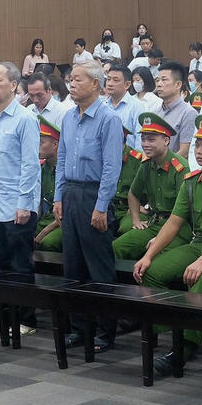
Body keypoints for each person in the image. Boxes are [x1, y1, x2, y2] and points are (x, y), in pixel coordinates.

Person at [133, 114, 202, 374]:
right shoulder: (192, 182)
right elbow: (173, 223)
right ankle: (172, 328)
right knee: (151, 271)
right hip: (198, 244)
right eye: (197, 145)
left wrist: (201, 262)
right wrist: (149, 255)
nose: (199, 151)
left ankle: (184, 348)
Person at [55, 62, 124, 353]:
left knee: (99, 266)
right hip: (71, 192)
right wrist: (58, 196)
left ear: (95, 84)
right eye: (70, 80)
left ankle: (105, 331)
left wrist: (101, 205)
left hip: (94, 194)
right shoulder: (69, 117)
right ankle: (79, 328)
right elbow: (61, 158)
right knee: (73, 265)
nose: (71, 84)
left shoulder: (109, 119)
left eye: (78, 80)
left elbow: (111, 167)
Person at [0, 61, 42, 332]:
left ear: (14, 85)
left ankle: (25, 319)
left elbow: (30, 165)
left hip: (16, 205)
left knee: (20, 264)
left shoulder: (25, 118)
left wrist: (25, 204)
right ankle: (3, 316)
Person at [113, 112, 190, 262]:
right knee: (116, 248)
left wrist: (160, 239)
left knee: (156, 258)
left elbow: (183, 213)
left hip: (178, 229)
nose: (145, 144)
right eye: (143, 139)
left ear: (166, 140)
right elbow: (133, 194)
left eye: (151, 140)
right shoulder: (147, 164)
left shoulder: (180, 168)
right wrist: (136, 220)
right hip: (155, 223)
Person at [32, 116, 63, 252]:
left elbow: (65, 212)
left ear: (55, 145)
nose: (37, 146)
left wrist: (43, 233)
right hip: (45, 218)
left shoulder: (67, 170)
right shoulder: (41, 168)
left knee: (48, 243)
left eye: (41, 143)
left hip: (62, 221)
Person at [155, 61, 197, 158]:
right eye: (157, 80)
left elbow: (185, 151)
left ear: (178, 84)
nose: (159, 84)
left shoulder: (188, 113)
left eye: (164, 80)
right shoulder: (156, 111)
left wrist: (165, 164)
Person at [102, 62, 143, 150]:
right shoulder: (102, 106)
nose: (110, 83)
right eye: (108, 79)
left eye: (115, 80)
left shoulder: (137, 107)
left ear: (127, 84)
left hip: (128, 157)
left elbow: (140, 139)